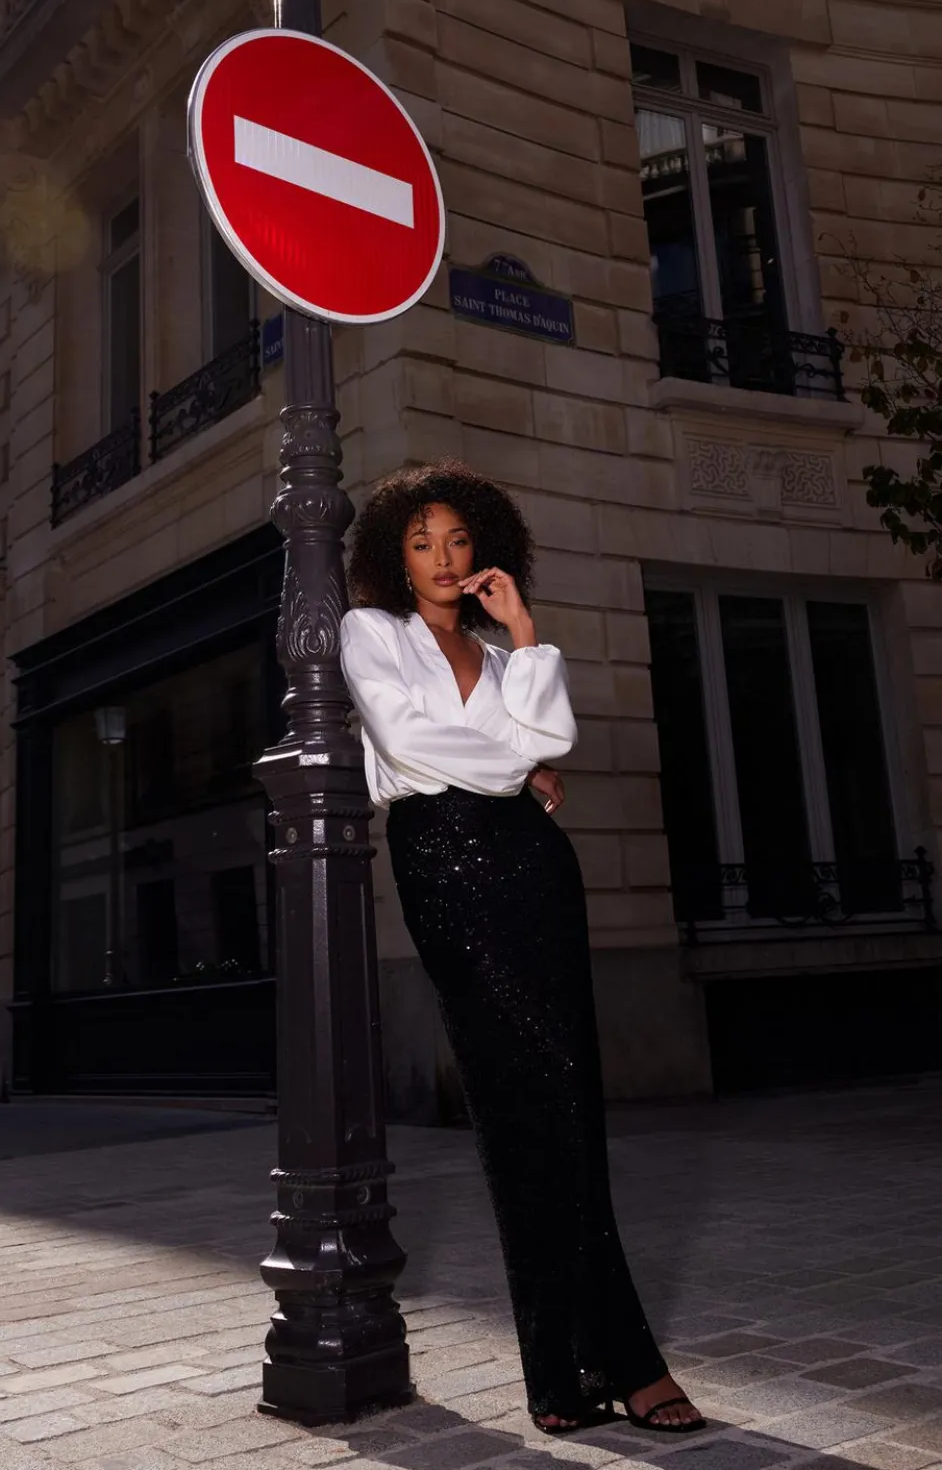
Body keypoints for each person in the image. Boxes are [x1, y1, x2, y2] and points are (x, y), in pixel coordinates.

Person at [339, 459, 704, 1438]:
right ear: (393, 557)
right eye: (422, 543)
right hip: (445, 864)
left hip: (537, 868)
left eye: (459, 540)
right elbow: (422, 750)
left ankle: (564, 1374)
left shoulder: (506, 659)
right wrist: (518, 764)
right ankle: (621, 1361)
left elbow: (555, 734)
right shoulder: (370, 633)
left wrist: (529, 634)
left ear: (485, 549)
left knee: (568, 1109)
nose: (444, 558)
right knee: (520, 1106)